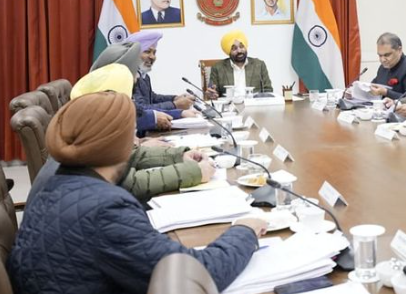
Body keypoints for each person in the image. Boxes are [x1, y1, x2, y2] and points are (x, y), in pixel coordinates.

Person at [8, 92, 267, 293]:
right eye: (132, 134)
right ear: (121, 144)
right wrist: (244, 231)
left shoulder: (55, 181)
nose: (136, 141)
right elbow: (196, 274)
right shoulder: (106, 209)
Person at [26, 63, 216, 205]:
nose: (134, 102)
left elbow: (133, 155)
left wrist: (179, 155)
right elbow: (132, 183)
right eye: (129, 95)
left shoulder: (84, 133)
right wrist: (194, 172)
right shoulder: (94, 167)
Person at [125, 30, 194, 111]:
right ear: (134, 53)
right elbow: (141, 110)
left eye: (154, 53)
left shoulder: (144, 76)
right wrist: (175, 105)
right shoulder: (127, 77)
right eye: (147, 51)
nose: (152, 57)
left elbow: (152, 98)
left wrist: (175, 98)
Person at [207, 30, 272, 99]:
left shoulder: (259, 65)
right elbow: (213, 92)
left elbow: (268, 90)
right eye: (234, 48)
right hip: (229, 104)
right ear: (228, 51)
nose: (239, 51)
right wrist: (212, 94)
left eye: (241, 46)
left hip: (253, 104)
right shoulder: (218, 68)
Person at [369, 32, 406, 100]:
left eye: (387, 55)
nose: (382, 60)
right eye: (380, 55)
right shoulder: (383, 68)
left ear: (399, 50)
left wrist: (386, 92)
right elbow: (374, 85)